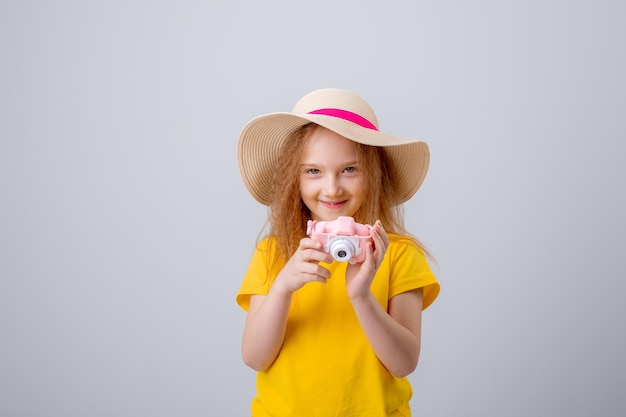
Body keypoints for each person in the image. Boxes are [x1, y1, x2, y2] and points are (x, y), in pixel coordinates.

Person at [235, 88, 440, 417]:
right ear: (295, 179)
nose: (332, 188)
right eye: (313, 171)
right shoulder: (274, 253)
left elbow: (404, 363)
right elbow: (255, 357)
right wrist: (283, 286)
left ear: (373, 174)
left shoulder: (399, 254)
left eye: (350, 169)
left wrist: (362, 297)